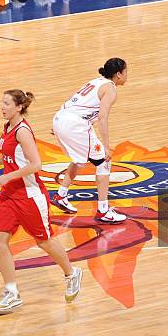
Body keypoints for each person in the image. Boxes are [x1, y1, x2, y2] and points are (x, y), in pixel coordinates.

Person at [0, 90, 83, 314]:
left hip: (30, 195)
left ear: (19, 107)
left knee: (44, 241)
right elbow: (9, 153)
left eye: (6, 103)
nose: (2, 106)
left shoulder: (23, 131)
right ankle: (11, 292)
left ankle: (71, 273)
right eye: (2, 102)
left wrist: (6, 176)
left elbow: (36, 164)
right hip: (10, 195)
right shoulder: (8, 126)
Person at [51, 58, 128, 224]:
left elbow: (73, 102)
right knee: (103, 162)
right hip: (74, 124)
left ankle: (60, 195)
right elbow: (102, 117)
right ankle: (103, 210)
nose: (127, 75)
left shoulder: (95, 82)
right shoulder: (110, 90)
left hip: (60, 117)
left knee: (79, 160)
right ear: (119, 74)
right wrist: (106, 147)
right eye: (126, 71)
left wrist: (60, 126)